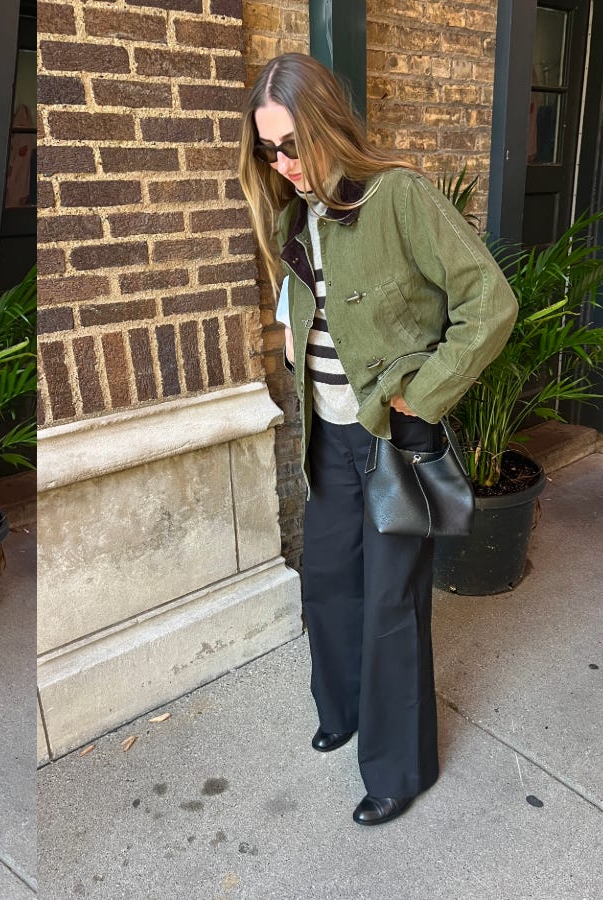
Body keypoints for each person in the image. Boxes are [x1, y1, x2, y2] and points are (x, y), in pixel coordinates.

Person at [237, 54, 517, 825]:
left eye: (291, 144)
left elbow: (489, 302)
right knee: (327, 577)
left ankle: (400, 768)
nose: (283, 164)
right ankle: (344, 706)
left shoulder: (398, 197)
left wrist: (422, 396)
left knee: (392, 600)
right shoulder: (296, 216)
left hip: (393, 435)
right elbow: (308, 312)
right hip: (326, 437)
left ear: (325, 124)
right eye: (268, 150)